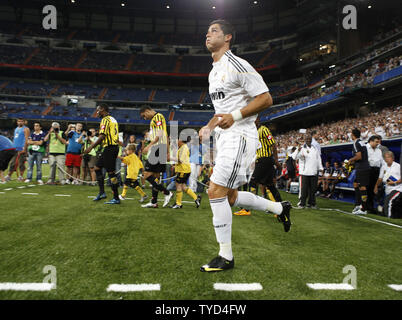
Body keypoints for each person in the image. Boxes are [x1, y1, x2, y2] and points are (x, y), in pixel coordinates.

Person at [199, 19, 291, 272]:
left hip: (240, 136)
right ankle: (278, 207)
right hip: (225, 137)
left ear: (228, 37)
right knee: (229, 196)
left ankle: (226, 257)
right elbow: (221, 112)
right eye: (207, 32)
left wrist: (235, 117)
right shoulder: (213, 72)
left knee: (215, 191)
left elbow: (266, 98)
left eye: (214, 31)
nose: (208, 35)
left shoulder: (238, 65)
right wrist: (209, 127)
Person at [234, 118, 282, 216]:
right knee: (270, 186)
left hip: (265, 159)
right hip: (261, 160)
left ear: (257, 120)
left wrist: (276, 161)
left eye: (253, 120)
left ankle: (247, 209)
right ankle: (281, 208)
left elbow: (273, 144)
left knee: (253, 182)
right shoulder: (254, 133)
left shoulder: (263, 130)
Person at [84, 104, 121, 204]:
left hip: (110, 148)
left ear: (103, 109)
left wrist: (90, 147)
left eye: (98, 110)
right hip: (110, 148)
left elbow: (102, 136)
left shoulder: (105, 120)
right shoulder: (113, 119)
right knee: (97, 168)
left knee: (111, 173)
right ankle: (102, 193)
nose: (97, 112)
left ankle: (116, 198)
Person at [139, 105, 173, 208]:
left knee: (146, 175)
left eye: (144, 115)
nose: (145, 118)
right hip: (161, 148)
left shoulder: (158, 117)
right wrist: (167, 152)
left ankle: (167, 192)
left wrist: (149, 146)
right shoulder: (157, 119)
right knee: (156, 177)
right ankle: (154, 202)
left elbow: (160, 133)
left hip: (157, 148)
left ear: (147, 111)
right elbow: (165, 135)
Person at [170, 137, 201, 209]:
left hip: (183, 170)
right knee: (183, 187)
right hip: (185, 169)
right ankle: (196, 198)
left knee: (178, 185)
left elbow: (180, 160)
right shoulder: (183, 147)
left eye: (177, 140)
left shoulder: (183, 148)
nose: (176, 142)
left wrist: (170, 158)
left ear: (181, 140)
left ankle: (178, 204)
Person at [346, 128, 371, 215]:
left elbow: (359, 156)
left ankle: (364, 208)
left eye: (350, 133)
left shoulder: (356, 143)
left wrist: (350, 160)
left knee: (362, 187)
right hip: (362, 167)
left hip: (362, 168)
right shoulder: (362, 141)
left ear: (353, 135)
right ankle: (358, 204)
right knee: (356, 184)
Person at [295, 135, 323, 209]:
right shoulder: (302, 148)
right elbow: (297, 157)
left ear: (311, 140)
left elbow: (318, 159)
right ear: (305, 140)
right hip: (305, 172)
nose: (308, 140)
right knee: (304, 189)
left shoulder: (315, 148)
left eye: (309, 139)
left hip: (314, 171)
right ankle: (302, 204)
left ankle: (312, 204)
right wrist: (299, 151)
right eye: (307, 139)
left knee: (313, 189)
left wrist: (320, 168)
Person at [374, 151, 402, 218]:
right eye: (385, 157)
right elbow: (380, 179)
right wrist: (376, 186)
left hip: (397, 188)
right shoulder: (383, 167)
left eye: (388, 157)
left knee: (388, 201)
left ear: (392, 158)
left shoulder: (398, 166)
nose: (387, 159)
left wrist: (394, 182)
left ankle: (389, 217)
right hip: (388, 189)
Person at [366, 135, 383, 213]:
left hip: (377, 170)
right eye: (376, 142)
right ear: (371, 141)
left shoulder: (379, 150)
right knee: (368, 189)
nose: (378, 143)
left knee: (374, 189)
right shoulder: (365, 148)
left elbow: (381, 162)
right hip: (368, 170)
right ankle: (367, 206)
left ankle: (371, 207)